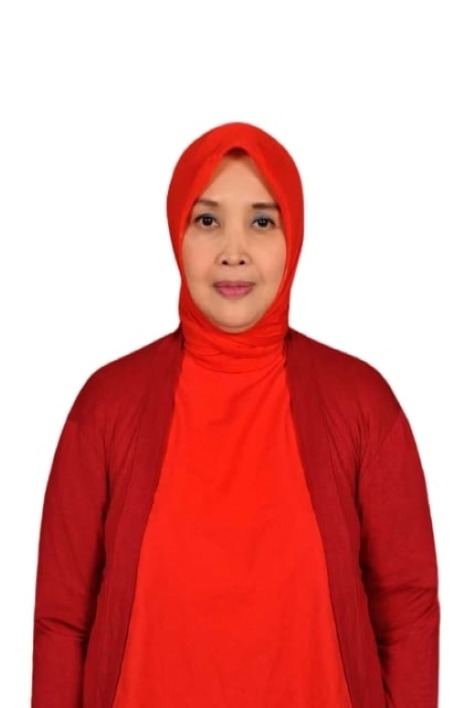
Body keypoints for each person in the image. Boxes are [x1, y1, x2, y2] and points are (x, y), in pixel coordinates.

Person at [32, 122, 439, 707]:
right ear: (176, 231)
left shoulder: (363, 405)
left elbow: (408, 610)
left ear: (293, 236)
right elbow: (61, 621)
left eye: (262, 221)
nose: (233, 250)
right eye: (207, 220)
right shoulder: (105, 407)